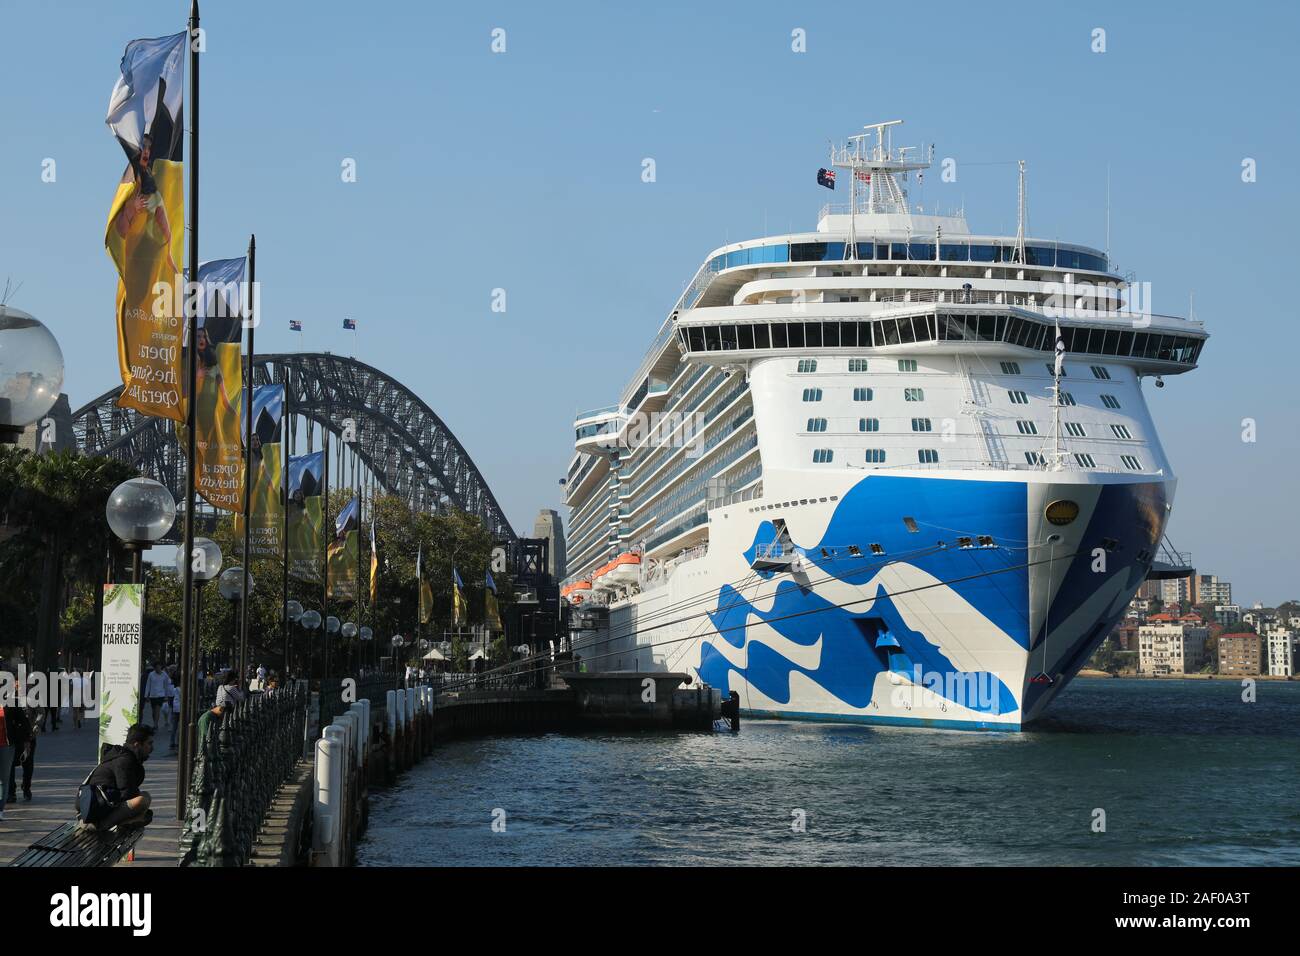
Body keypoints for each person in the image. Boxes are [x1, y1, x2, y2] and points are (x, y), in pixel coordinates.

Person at [80, 724, 154, 831]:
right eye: (149, 743)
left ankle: (127, 824)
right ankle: (103, 826)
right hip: (91, 817)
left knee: (143, 802)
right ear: (137, 744)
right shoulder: (125, 760)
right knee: (143, 799)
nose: (152, 748)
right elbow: (128, 794)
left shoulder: (126, 757)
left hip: (99, 809)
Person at [5, 695, 38, 804]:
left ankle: (26, 787)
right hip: (6, 742)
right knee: (9, 767)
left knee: (27, 765)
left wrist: (28, 739)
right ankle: (11, 793)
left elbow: (24, 721)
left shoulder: (15, 702)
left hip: (22, 739)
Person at [144, 661, 172, 730]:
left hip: (160, 695)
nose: (158, 669)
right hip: (152, 695)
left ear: (161, 667)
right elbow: (148, 685)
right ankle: (155, 722)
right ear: (154, 668)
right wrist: (146, 695)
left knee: (157, 709)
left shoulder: (164, 674)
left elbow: (166, 685)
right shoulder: (151, 675)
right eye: (156, 667)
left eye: (159, 667)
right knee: (153, 711)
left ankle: (155, 724)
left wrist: (166, 695)